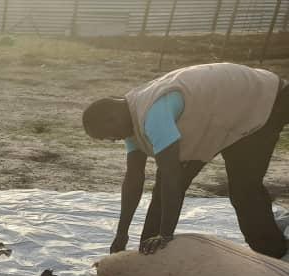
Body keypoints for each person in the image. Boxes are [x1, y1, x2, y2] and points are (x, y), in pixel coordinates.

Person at [82, 62, 289, 258]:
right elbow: (134, 180)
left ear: (111, 118)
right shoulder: (130, 118)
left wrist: (165, 235)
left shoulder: (153, 114)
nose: (114, 140)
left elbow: (173, 177)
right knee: (165, 190)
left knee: (244, 189)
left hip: (261, 99)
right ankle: (151, 251)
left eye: (107, 136)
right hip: (221, 111)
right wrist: (122, 234)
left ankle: (275, 255)